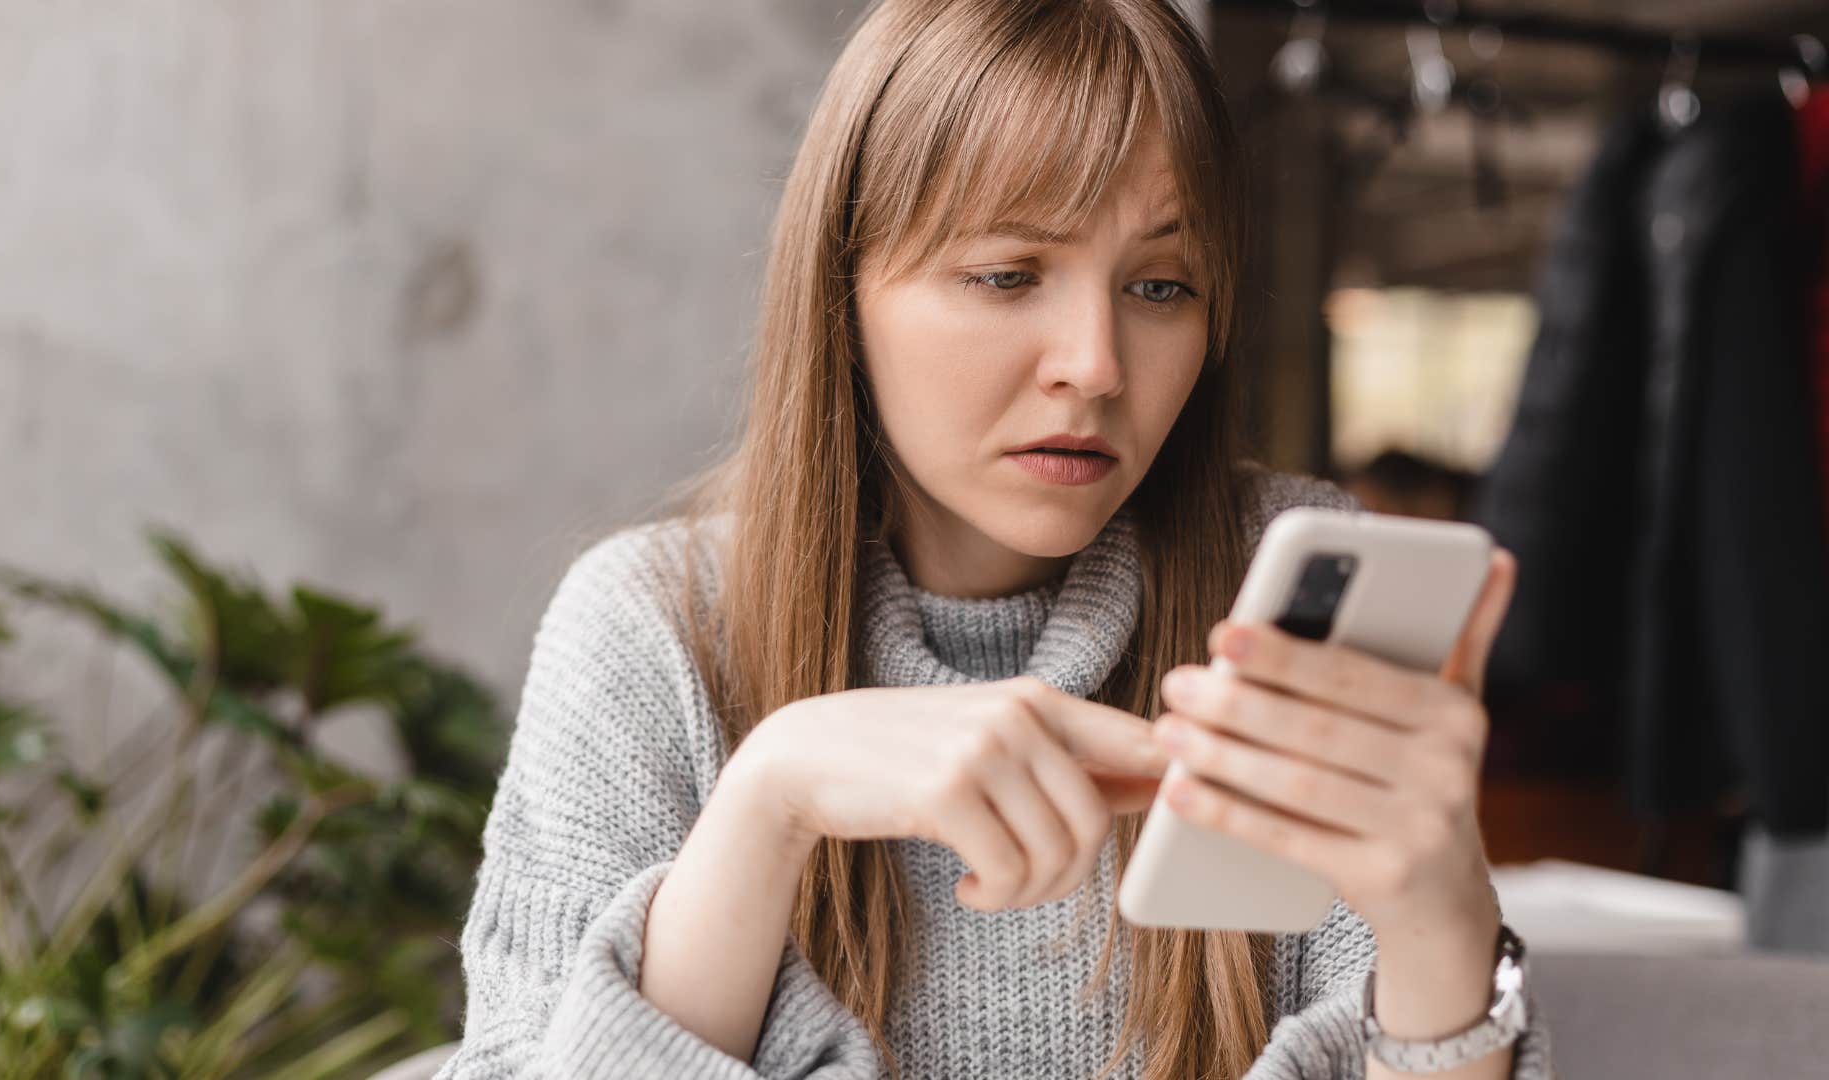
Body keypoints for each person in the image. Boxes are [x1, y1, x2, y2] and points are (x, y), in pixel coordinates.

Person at [437, 1, 1552, 1077]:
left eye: (1161, 285)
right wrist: (767, 803)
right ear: (843, 291)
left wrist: (1440, 915)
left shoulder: (1279, 582)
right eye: (1009, 274)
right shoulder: (655, 627)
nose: (1097, 363)